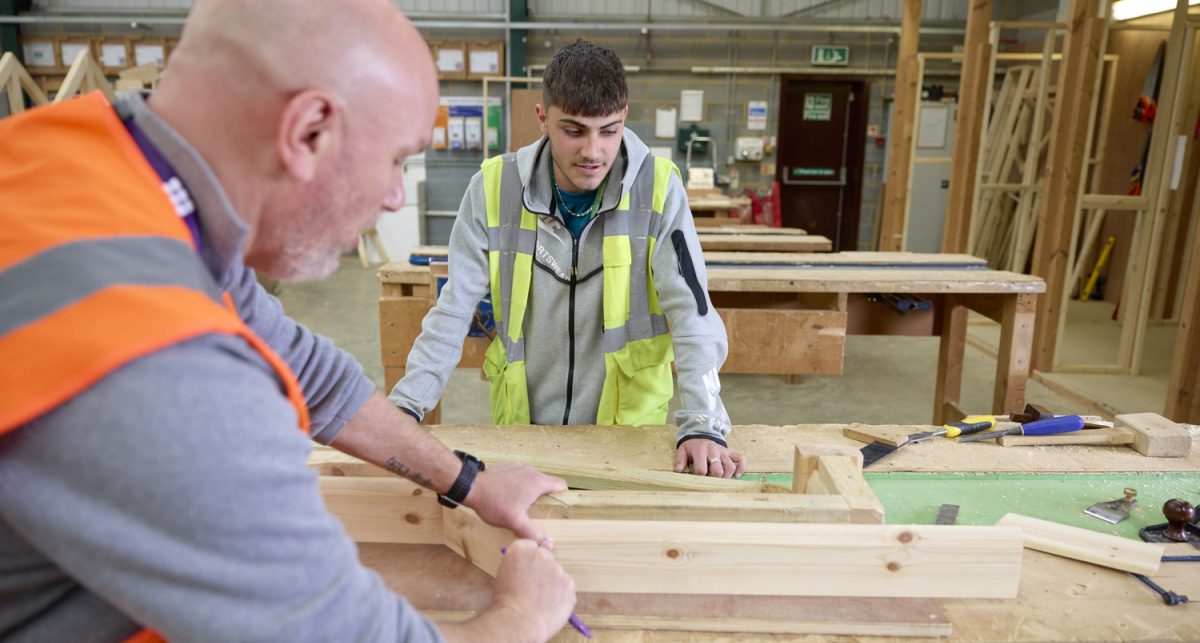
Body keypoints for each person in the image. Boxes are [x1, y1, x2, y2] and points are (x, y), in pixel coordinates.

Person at [0, 1, 577, 641]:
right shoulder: (162, 376)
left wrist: (469, 481)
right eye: (394, 159)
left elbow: (311, 373)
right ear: (307, 132)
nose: (393, 196)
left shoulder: (91, 170)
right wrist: (523, 615)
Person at [389, 40, 748, 478]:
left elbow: (693, 313)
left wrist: (704, 425)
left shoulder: (658, 189)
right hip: (524, 433)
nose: (593, 151)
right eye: (574, 131)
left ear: (625, 117)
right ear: (542, 118)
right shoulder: (493, 189)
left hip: (628, 438)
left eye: (609, 130)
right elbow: (453, 309)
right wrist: (406, 408)